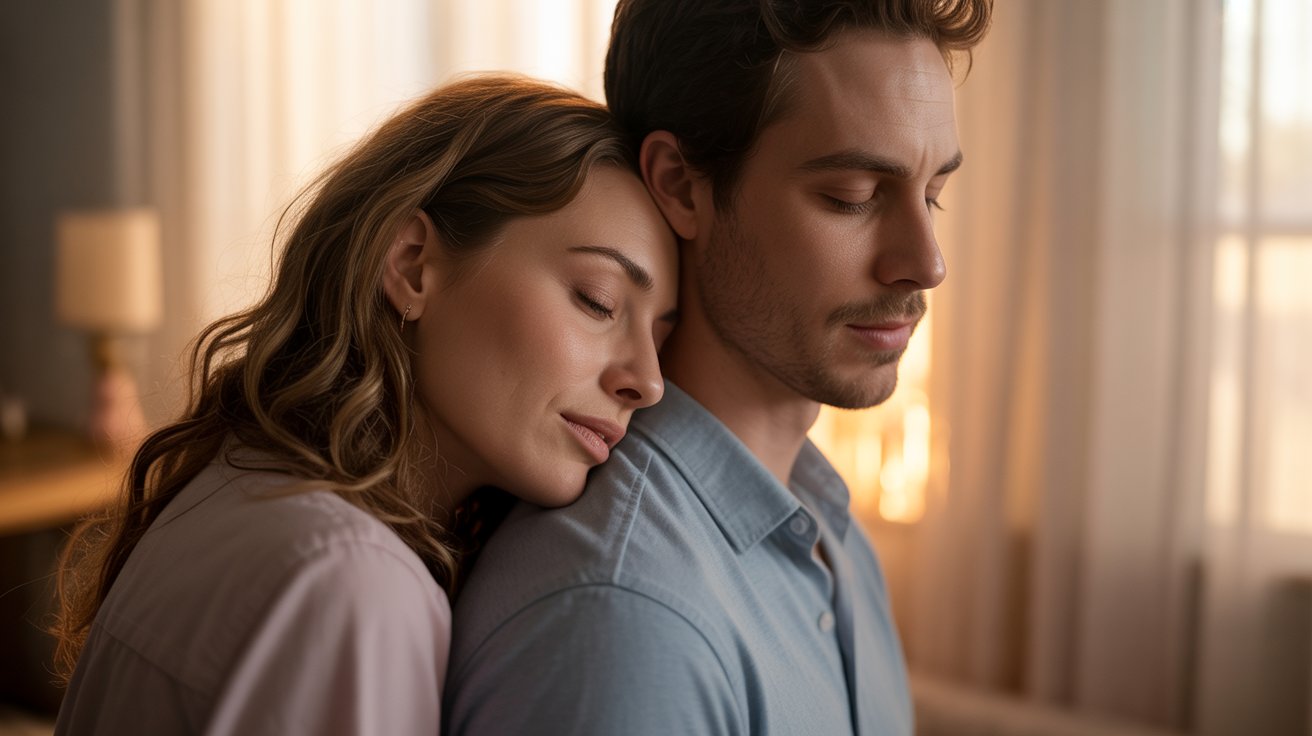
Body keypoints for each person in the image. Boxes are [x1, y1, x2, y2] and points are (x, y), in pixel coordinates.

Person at [50, 74, 677, 735]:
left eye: (664, 334)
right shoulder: (352, 582)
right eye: (598, 301)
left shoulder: (235, 484)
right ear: (412, 265)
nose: (649, 380)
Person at [443, 1, 993, 734]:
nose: (927, 264)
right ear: (680, 184)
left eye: (933, 196)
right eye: (851, 197)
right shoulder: (625, 620)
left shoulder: (830, 527)